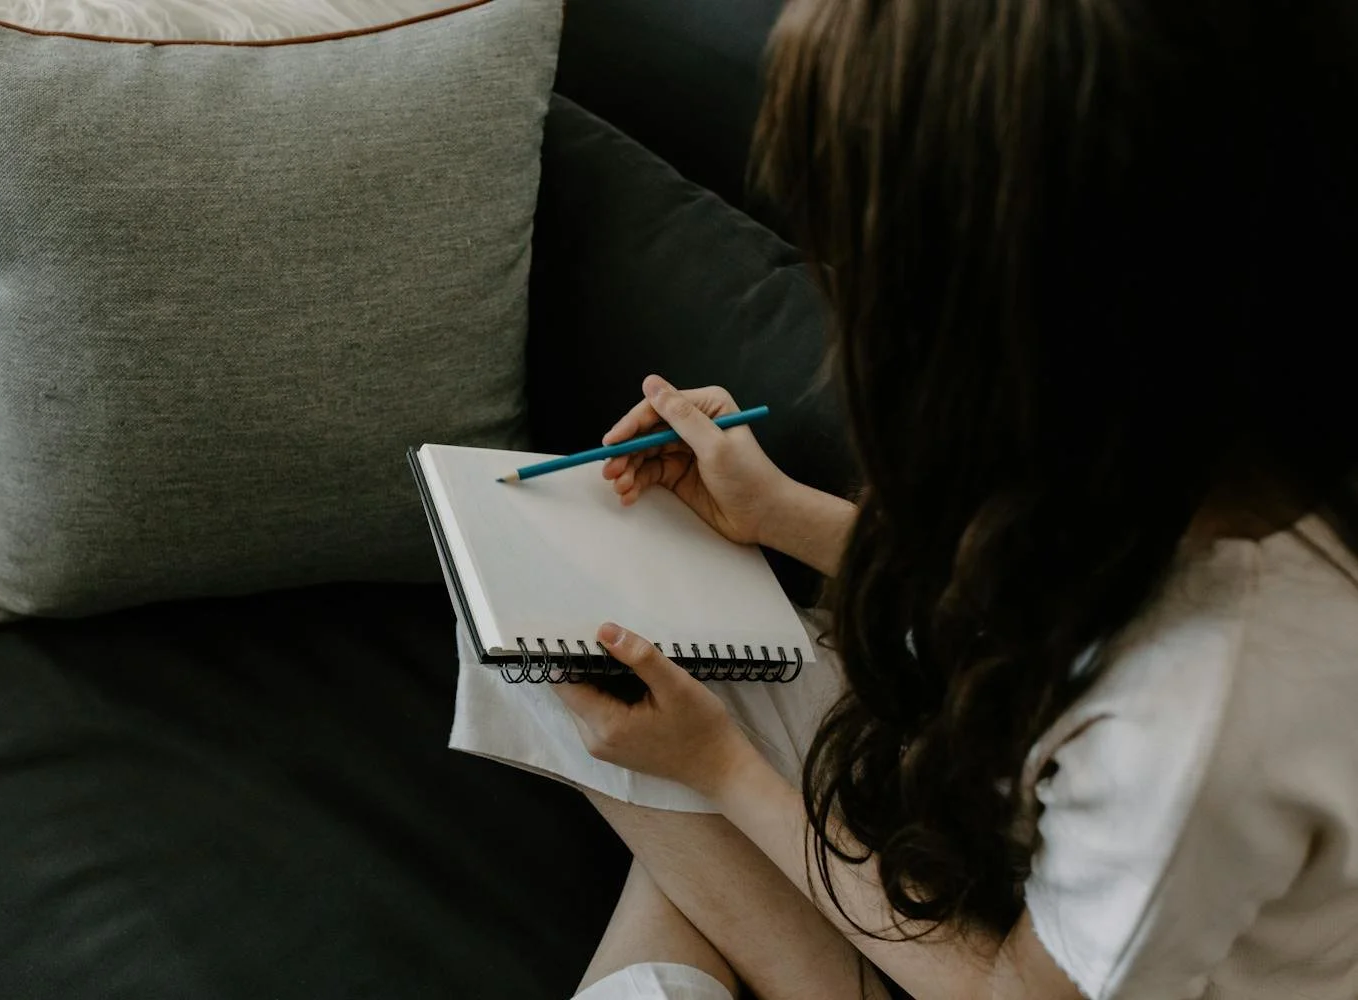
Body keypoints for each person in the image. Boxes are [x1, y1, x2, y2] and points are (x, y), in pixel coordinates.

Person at [450, 1, 1358, 997]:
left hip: (1039, 961)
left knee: (630, 709)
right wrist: (778, 511)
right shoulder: (1184, 445)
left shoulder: (1202, 721)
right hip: (996, 823)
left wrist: (717, 770)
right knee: (541, 638)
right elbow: (1039, 606)